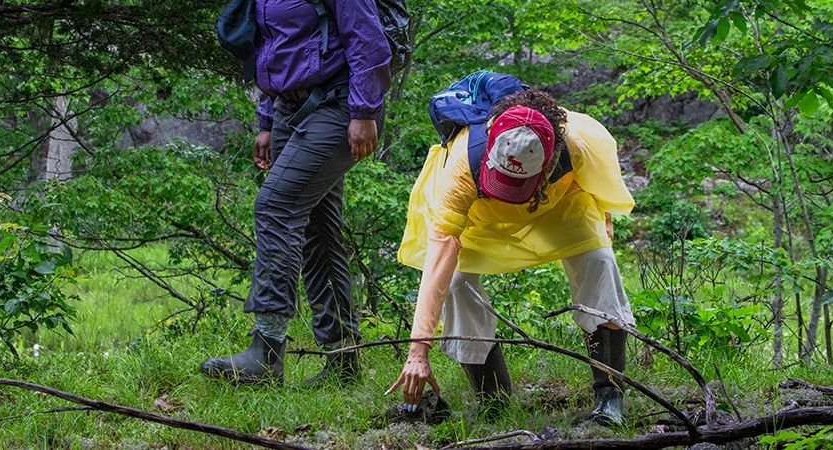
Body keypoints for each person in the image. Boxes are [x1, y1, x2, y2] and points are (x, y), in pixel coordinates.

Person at [387, 89, 636, 425]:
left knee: (599, 263)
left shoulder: (580, 143)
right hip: (481, 216)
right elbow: (438, 259)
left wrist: (602, 227)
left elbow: (602, 191)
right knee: (459, 283)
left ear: (549, 158)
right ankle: (494, 401)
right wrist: (418, 351)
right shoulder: (463, 165)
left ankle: (609, 399)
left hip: (559, 205)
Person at [200, 0, 391, 386]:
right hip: (290, 108)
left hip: (340, 106)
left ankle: (266, 350)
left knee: (275, 207)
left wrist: (365, 111)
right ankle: (343, 361)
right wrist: (267, 120)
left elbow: (367, 40)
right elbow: (273, 47)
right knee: (317, 233)